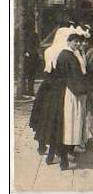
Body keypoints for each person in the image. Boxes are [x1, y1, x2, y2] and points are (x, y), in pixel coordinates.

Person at [30, 27, 71, 158]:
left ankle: (42, 144)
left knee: (44, 115)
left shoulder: (49, 50)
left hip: (46, 86)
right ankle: (57, 146)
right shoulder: (64, 53)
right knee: (55, 117)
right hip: (59, 87)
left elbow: (47, 68)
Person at [55, 29, 90, 170]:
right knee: (70, 122)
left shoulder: (72, 54)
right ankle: (65, 153)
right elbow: (69, 77)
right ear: (68, 42)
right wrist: (80, 89)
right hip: (70, 92)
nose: (77, 44)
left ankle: (70, 149)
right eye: (74, 42)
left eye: (78, 42)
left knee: (74, 121)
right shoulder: (65, 55)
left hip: (75, 90)